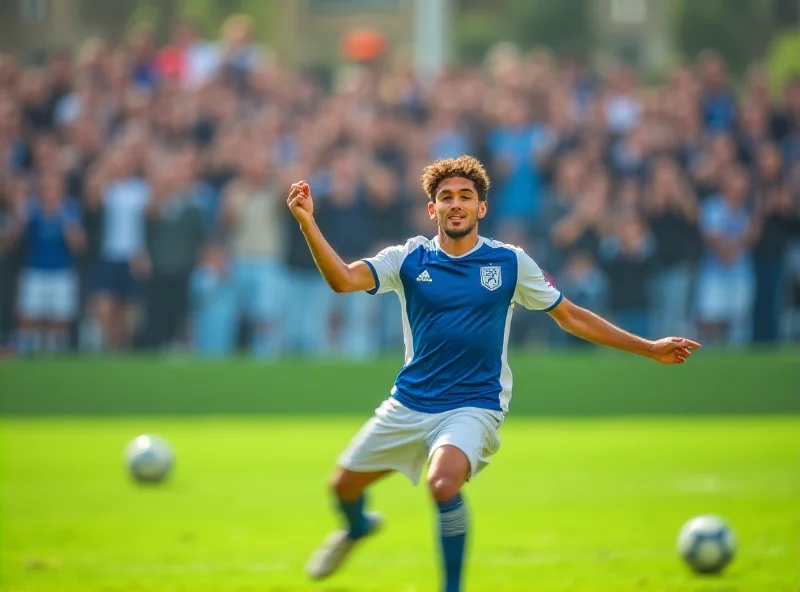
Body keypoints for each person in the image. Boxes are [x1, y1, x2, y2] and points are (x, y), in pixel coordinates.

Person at [287, 155, 701, 591]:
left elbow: (572, 317)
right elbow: (343, 280)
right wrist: (308, 224)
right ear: (433, 210)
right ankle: (356, 529)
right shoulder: (407, 258)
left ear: (481, 208)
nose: (456, 204)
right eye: (446, 198)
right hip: (409, 401)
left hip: (474, 404)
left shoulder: (509, 263)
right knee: (342, 487)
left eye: (466, 196)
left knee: (443, 484)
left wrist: (649, 347)